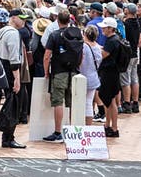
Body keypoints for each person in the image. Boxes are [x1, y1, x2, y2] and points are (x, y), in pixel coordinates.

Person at [41, 9, 81, 141]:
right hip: (73, 72)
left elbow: (47, 56)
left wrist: (46, 71)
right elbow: (81, 53)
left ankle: (58, 132)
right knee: (72, 102)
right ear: (69, 21)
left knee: (58, 102)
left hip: (58, 71)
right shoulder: (77, 34)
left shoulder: (54, 35)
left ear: (57, 20)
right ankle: (73, 131)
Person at [0, 9, 26, 149]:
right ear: (13, 18)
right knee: (14, 105)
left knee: (10, 103)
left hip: (2, 69)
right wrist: (17, 79)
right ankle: (8, 137)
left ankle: (7, 137)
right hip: (10, 71)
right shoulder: (12, 33)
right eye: (21, 18)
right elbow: (14, 59)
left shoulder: (2, 32)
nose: (24, 21)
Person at [96, 17, 127, 137]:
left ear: (110, 28)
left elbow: (103, 55)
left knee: (110, 101)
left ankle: (113, 127)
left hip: (109, 74)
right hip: (112, 73)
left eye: (104, 27)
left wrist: (94, 47)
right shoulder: (115, 39)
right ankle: (108, 125)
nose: (103, 29)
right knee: (109, 100)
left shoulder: (112, 41)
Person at [80, 24, 102, 124]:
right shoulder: (98, 47)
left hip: (83, 77)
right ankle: (88, 126)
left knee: (81, 103)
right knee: (88, 103)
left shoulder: (83, 47)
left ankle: (80, 124)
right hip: (94, 78)